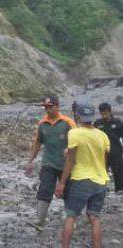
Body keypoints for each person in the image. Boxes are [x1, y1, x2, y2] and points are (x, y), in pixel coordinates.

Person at [56, 102, 110, 248]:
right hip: (100, 181)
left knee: (71, 216)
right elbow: (104, 161)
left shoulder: (74, 133)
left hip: (81, 180)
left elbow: (71, 160)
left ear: (78, 116)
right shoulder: (103, 135)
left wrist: (61, 183)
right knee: (94, 218)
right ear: (93, 117)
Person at [25, 95, 76, 231]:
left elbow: (78, 141)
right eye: (46, 107)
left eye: (50, 107)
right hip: (48, 162)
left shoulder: (67, 122)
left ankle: (70, 219)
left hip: (66, 164)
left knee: (68, 190)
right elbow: (37, 143)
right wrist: (30, 161)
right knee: (45, 188)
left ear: (57, 106)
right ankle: (40, 220)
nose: (48, 110)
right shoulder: (42, 124)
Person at [94, 102, 123, 192]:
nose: (104, 115)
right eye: (102, 113)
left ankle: (120, 189)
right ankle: (101, 189)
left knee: (118, 170)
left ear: (110, 111)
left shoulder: (118, 122)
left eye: (105, 112)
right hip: (102, 152)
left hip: (116, 151)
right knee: (102, 170)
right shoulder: (98, 123)